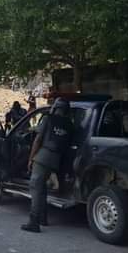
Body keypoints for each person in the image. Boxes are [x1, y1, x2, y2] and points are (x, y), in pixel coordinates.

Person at [22, 98, 74, 233]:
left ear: (55, 107)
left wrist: (31, 158)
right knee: (42, 188)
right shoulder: (69, 124)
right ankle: (42, 218)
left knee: (35, 187)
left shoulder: (48, 119)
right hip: (57, 160)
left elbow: (38, 139)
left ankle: (34, 222)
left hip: (43, 156)